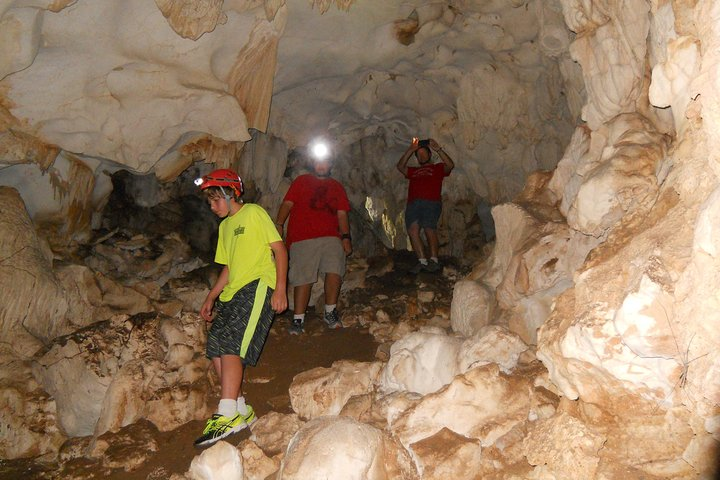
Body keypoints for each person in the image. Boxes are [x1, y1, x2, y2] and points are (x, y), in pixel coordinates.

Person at [194, 168, 288, 447]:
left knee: (231, 346)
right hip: (232, 292)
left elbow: (279, 249)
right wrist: (211, 296)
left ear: (229, 194)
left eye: (215, 200)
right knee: (216, 348)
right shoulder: (224, 228)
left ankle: (225, 414)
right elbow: (228, 267)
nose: (212, 207)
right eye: (209, 202)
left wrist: (281, 288)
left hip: (258, 285)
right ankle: (240, 408)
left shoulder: (254, 213)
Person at [274, 143, 352, 335]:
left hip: (331, 237)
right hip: (303, 237)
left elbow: (342, 215)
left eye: (325, 162)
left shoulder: (337, 187)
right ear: (313, 164)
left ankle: (330, 311)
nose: (321, 165)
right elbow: (287, 204)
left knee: (335, 271)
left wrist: (346, 237)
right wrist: (279, 224)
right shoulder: (301, 181)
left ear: (330, 165)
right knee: (303, 278)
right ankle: (298, 319)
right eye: (318, 162)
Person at [396, 137, 454, 273]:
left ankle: (433, 260)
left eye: (424, 153)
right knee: (413, 231)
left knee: (429, 228)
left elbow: (450, 165)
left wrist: (438, 149)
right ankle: (422, 261)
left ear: (429, 155)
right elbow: (400, 167)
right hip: (413, 203)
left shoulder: (437, 168)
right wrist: (411, 150)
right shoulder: (413, 171)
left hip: (431, 202)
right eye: (419, 154)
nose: (421, 156)